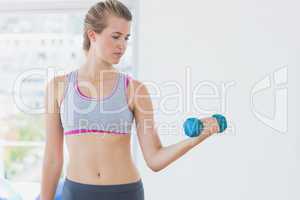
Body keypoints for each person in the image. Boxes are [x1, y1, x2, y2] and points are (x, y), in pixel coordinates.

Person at [40, 0, 220, 199]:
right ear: (93, 35)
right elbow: (52, 160)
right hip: (76, 193)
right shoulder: (58, 87)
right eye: (116, 37)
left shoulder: (134, 89)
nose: (122, 46)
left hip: (125, 192)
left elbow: (155, 159)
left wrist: (195, 139)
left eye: (126, 38)